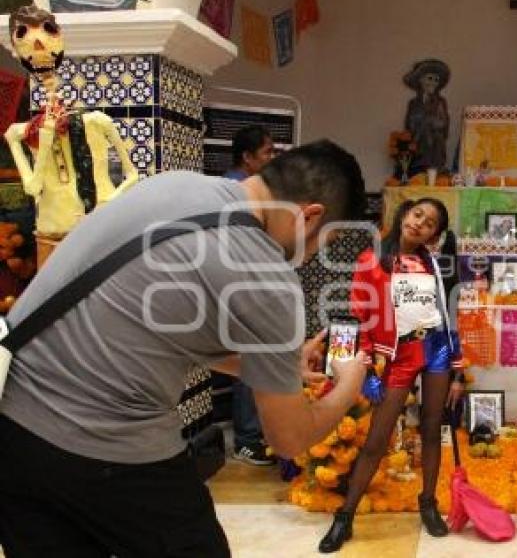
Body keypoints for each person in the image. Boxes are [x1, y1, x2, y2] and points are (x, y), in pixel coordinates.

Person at [0, 140, 369, 557]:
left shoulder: (172, 186)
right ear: (310, 216)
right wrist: (348, 384)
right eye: (325, 241)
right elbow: (288, 438)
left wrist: (278, 367)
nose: (311, 256)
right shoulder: (268, 279)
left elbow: (161, 328)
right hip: (107, 446)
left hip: (13, 433)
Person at [318, 198, 465, 553]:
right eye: (418, 215)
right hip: (397, 356)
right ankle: (345, 516)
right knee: (377, 439)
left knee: (432, 429)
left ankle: (427, 503)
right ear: (405, 214)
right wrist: (367, 366)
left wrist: (459, 370)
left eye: (429, 223)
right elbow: (363, 315)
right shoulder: (372, 260)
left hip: (436, 351)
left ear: (435, 235)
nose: (420, 224)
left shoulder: (436, 264)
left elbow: (448, 315)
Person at [220, 124, 278, 464]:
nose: (272, 158)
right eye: (267, 152)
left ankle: (253, 433)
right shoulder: (237, 190)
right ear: (247, 156)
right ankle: (247, 439)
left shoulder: (239, 187)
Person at [403, 59, 451, 174]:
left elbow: (443, 124)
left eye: (436, 80)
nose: (433, 82)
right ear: (420, 80)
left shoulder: (440, 102)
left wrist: (428, 121)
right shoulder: (413, 103)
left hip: (435, 148)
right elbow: (409, 125)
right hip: (418, 148)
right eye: (430, 78)